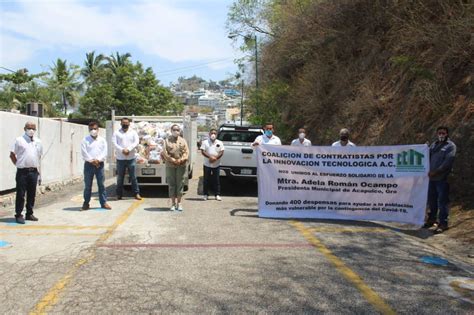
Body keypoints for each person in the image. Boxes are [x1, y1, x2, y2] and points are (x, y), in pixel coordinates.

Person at [424, 126, 456, 234]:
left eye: (443, 133)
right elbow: (426, 157)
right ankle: (432, 219)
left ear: (447, 134)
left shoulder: (450, 146)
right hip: (431, 179)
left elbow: (448, 162)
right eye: (439, 133)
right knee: (432, 201)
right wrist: (424, 148)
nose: (441, 135)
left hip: (442, 179)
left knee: (442, 201)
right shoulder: (434, 145)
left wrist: (436, 172)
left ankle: (443, 224)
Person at [9, 122, 42, 224]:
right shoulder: (19, 140)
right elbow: (12, 154)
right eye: (29, 128)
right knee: (21, 194)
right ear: (25, 128)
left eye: (33, 128)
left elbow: (39, 155)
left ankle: (29, 213)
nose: (31, 130)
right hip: (22, 172)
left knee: (31, 194)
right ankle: (18, 214)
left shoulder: (38, 141)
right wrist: (18, 164)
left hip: (33, 171)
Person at [81, 121, 111, 211]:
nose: (93, 130)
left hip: (99, 165)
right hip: (89, 165)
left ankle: (103, 202)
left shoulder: (102, 140)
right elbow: (84, 153)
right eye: (91, 129)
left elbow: (104, 152)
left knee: (101, 184)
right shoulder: (85, 140)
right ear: (88, 130)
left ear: (98, 129)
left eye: (95, 129)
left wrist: (98, 160)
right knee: (87, 185)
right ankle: (86, 203)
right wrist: (92, 160)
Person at [112, 117, 142, 200]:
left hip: (131, 158)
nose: (125, 124)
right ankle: (119, 194)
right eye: (123, 123)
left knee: (133, 177)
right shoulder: (116, 133)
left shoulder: (133, 132)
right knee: (120, 177)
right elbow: (114, 143)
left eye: (126, 123)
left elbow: (136, 142)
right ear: (121, 124)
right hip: (120, 158)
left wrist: (128, 149)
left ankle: (136, 194)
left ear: (129, 124)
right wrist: (122, 150)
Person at [161, 124, 189, 211]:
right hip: (170, 165)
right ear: (171, 130)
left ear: (179, 131)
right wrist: (172, 159)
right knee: (172, 184)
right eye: (174, 130)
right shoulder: (166, 141)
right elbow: (165, 153)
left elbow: (186, 152)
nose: (176, 131)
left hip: (181, 165)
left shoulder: (183, 141)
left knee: (180, 183)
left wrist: (181, 159)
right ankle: (173, 203)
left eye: (177, 130)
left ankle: (179, 203)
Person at [200, 128, 225, 201]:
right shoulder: (205, 142)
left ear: (217, 135)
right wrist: (210, 157)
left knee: (216, 180)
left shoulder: (220, 142)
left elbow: (221, 152)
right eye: (212, 133)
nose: (213, 135)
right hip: (207, 164)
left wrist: (215, 158)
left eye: (215, 133)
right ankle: (205, 194)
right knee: (206, 180)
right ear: (209, 134)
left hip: (216, 164)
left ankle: (217, 194)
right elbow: (202, 151)